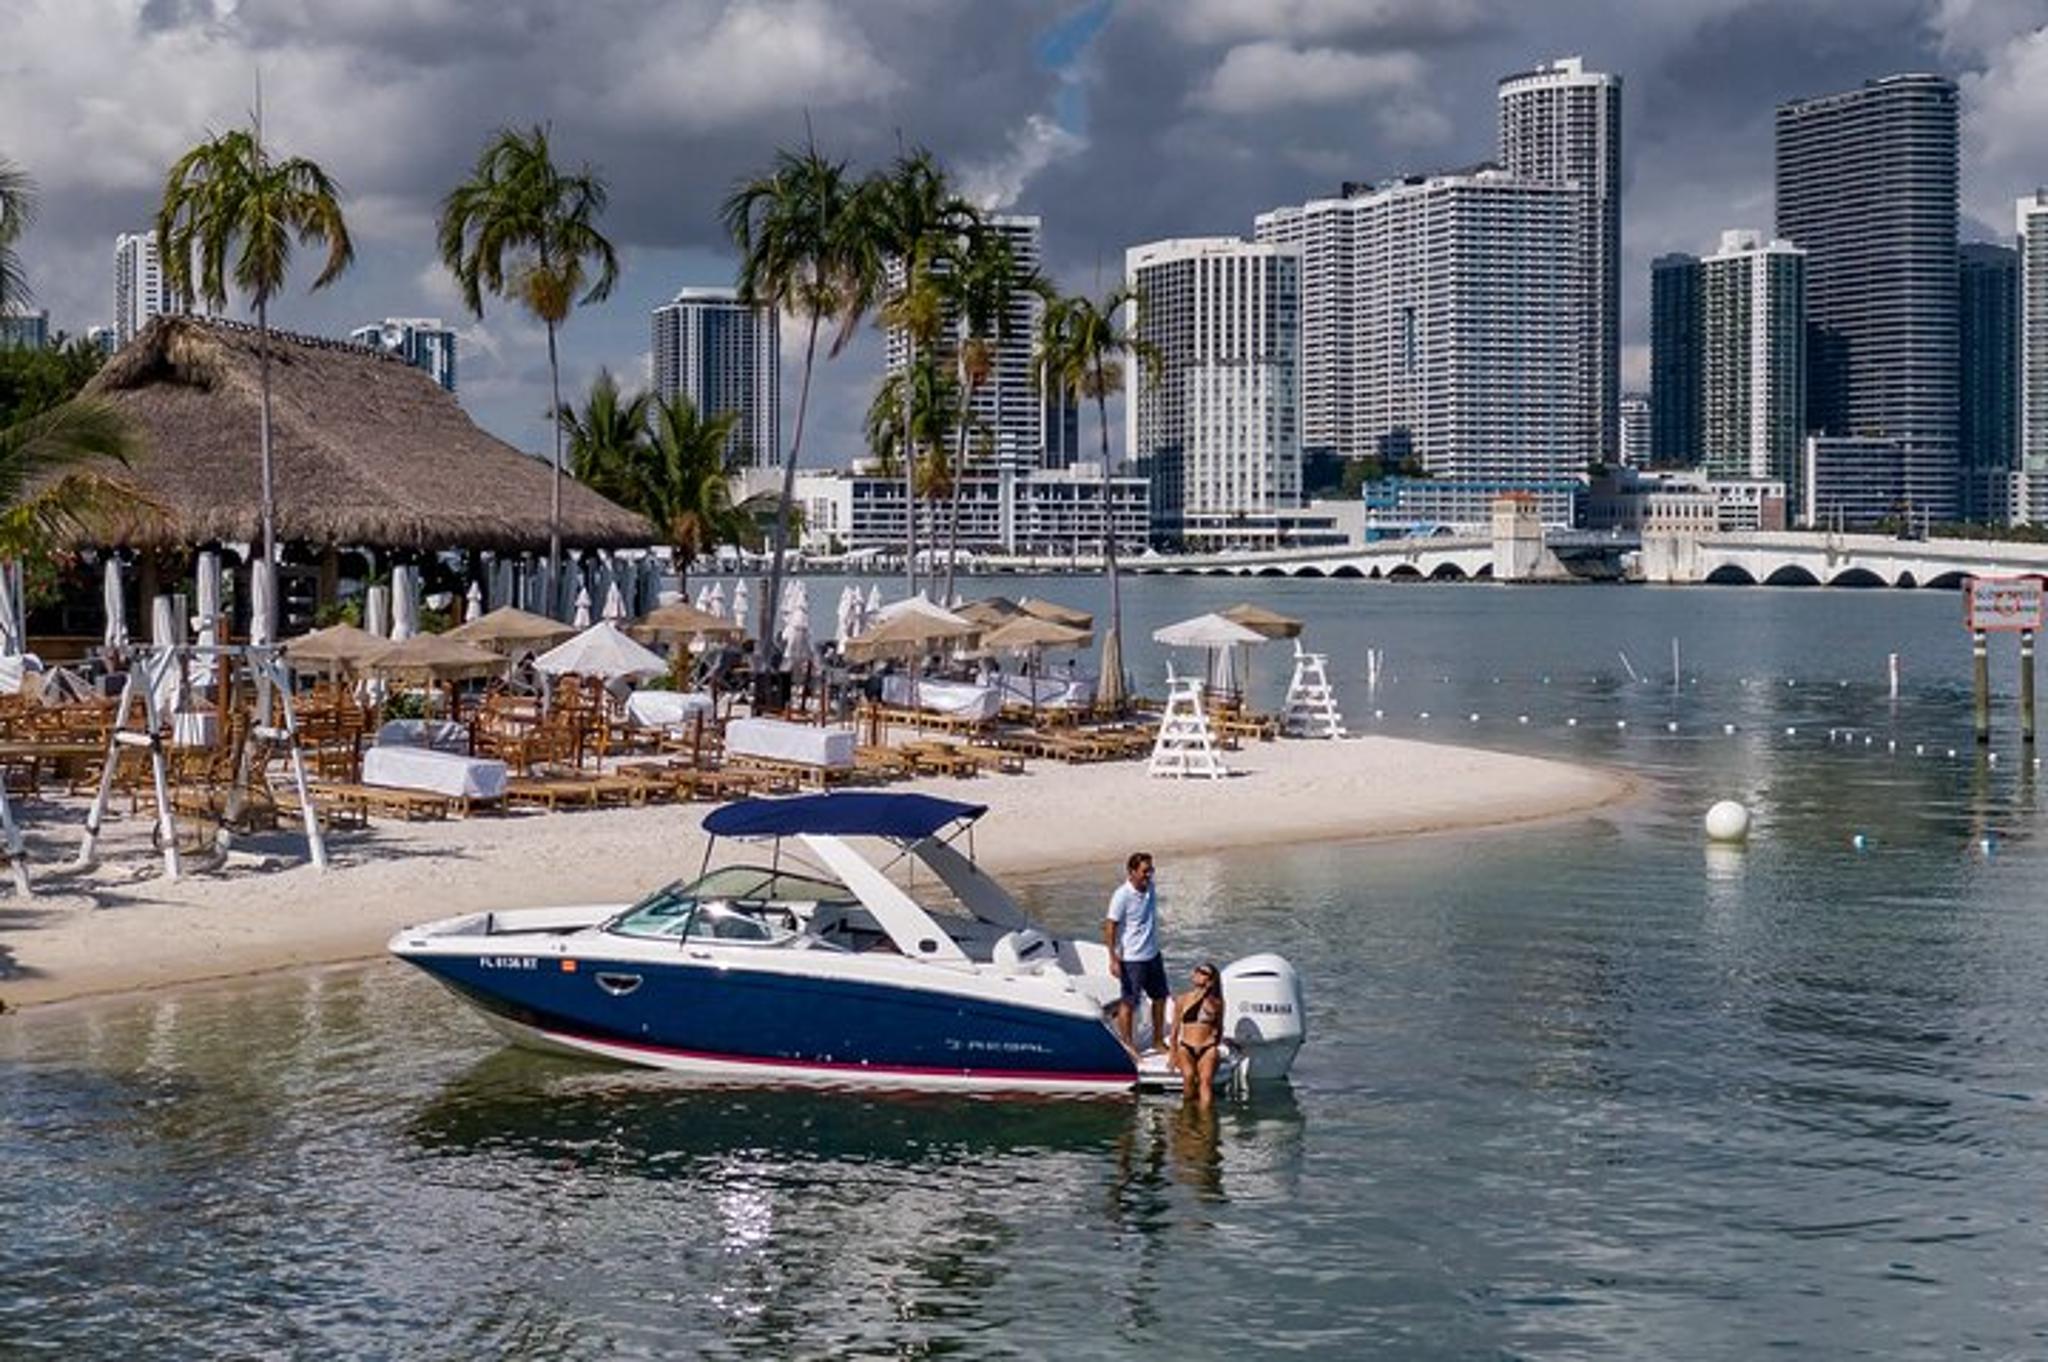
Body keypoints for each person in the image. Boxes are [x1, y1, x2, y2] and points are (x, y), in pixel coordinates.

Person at [1103, 851, 1166, 1054]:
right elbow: (1110, 926)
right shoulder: (1122, 895)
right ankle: (1128, 1044)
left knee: (1160, 997)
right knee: (1129, 1002)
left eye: (1151, 870)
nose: (1149, 874)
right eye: (1145, 871)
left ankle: (1158, 1040)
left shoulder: (1151, 887)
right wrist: (1113, 958)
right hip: (1132, 959)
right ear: (1131, 872)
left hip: (1153, 955)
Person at [1170, 962, 1227, 1107]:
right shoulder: (1182, 999)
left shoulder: (1216, 1003)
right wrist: (1172, 1054)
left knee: (1205, 1081)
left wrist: (1215, 1047)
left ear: (1211, 980)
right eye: (1197, 970)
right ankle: (1188, 1112)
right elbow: (1175, 1029)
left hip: (1207, 1048)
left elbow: (1219, 1027)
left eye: (1203, 972)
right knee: (1189, 1076)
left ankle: (1205, 1117)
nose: (1197, 973)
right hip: (1186, 1047)